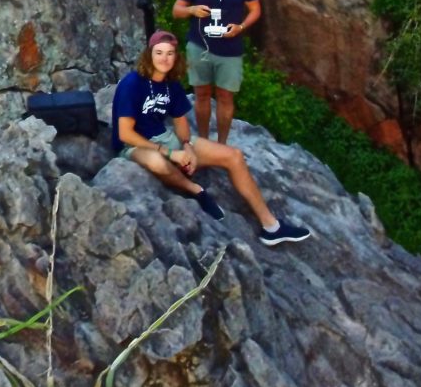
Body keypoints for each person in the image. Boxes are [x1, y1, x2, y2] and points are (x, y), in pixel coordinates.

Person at [111, 30, 310, 246]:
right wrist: (170, 153)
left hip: (164, 137)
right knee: (156, 162)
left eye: (170, 53)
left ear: (176, 56)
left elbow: (180, 123)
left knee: (233, 155)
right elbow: (125, 133)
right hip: (133, 145)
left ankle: (271, 227)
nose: (164, 59)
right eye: (158, 53)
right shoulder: (133, 84)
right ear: (149, 55)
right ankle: (197, 191)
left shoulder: (172, 85)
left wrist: (187, 147)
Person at [173, 0, 260, 145]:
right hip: (199, 46)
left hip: (230, 47)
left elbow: (255, 10)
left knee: (225, 97)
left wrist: (240, 27)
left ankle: (221, 144)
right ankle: (203, 141)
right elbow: (177, 10)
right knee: (201, 95)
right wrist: (192, 9)